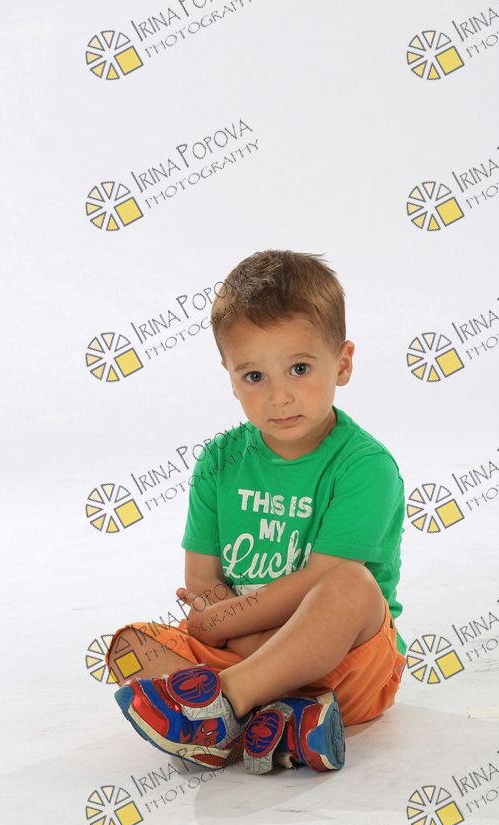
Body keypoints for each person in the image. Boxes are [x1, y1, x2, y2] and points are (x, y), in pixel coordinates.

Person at [106, 249, 407, 776]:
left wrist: (220, 621)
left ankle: (224, 707)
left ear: (342, 363)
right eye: (254, 376)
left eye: (299, 368)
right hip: (244, 646)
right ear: (229, 376)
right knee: (130, 648)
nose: (279, 396)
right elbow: (202, 582)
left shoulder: (364, 467)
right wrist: (230, 627)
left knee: (351, 585)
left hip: (349, 663)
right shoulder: (219, 461)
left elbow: (321, 583)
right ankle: (288, 719)